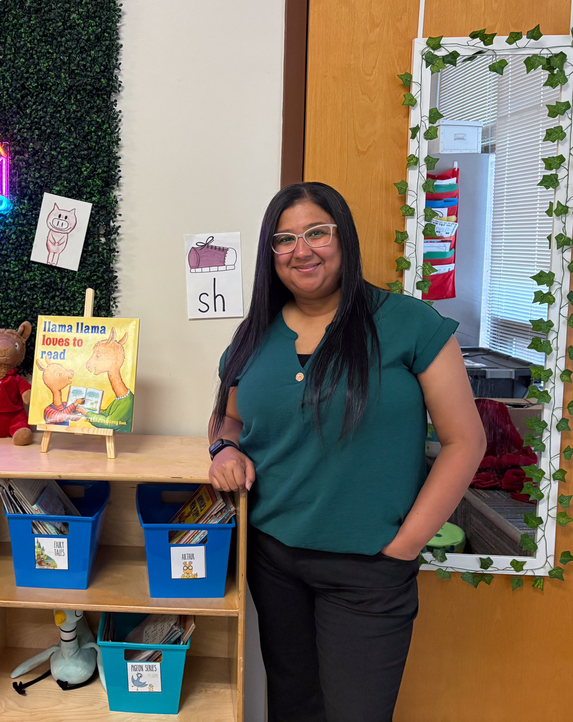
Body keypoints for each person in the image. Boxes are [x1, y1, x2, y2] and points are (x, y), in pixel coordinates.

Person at [208, 182, 486, 722]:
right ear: (271, 255)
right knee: (292, 704)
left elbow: (465, 441)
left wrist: (405, 546)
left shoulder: (408, 323)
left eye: (317, 232)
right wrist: (223, 449)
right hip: (272, 559)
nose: (301, 250)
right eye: (284, 239)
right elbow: (230, 415)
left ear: (344, 238)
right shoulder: (253, 335)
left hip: (369, 569)